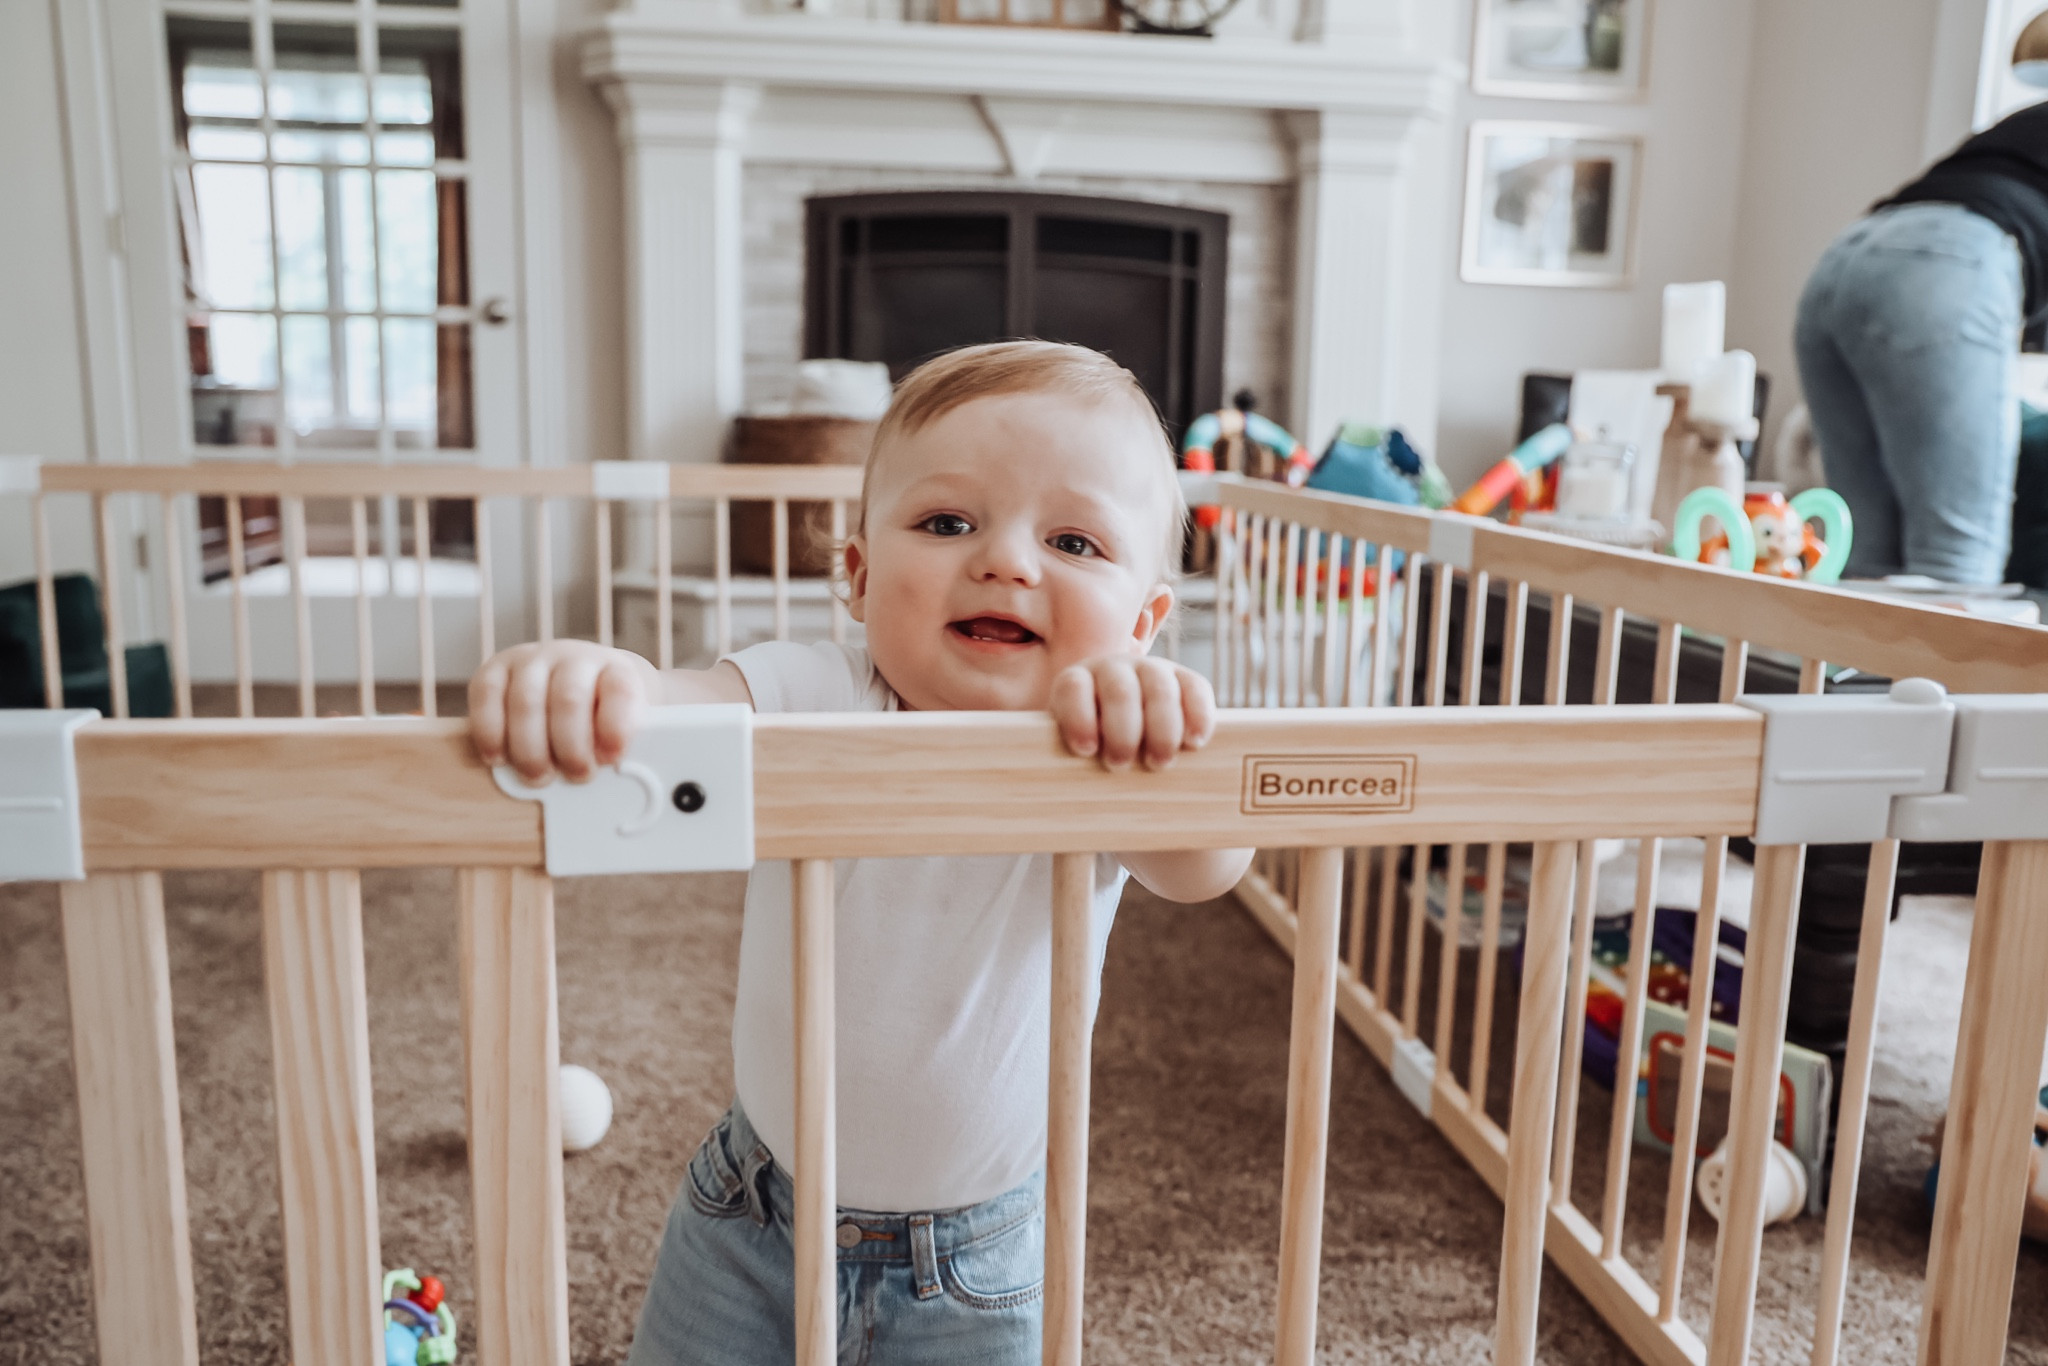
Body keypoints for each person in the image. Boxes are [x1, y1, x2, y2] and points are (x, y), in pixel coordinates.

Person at [467, 340, 1254, 1365]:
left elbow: (1208, 867)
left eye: (1073, 541)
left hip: (977, 1261)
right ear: (856, 571)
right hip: (752, 1214)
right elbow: (686, 704)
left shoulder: (1100, 752)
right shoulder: (819, 690)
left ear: (1144, 621)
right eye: (945, 522)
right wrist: (603, 675)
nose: (1006, 560)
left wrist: (1162, 740)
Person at [1793, 101, 2048, 585]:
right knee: (1957, 561)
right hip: (1950, 263)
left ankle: (1844, 664)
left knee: (1860, 550)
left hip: (1845, 259)